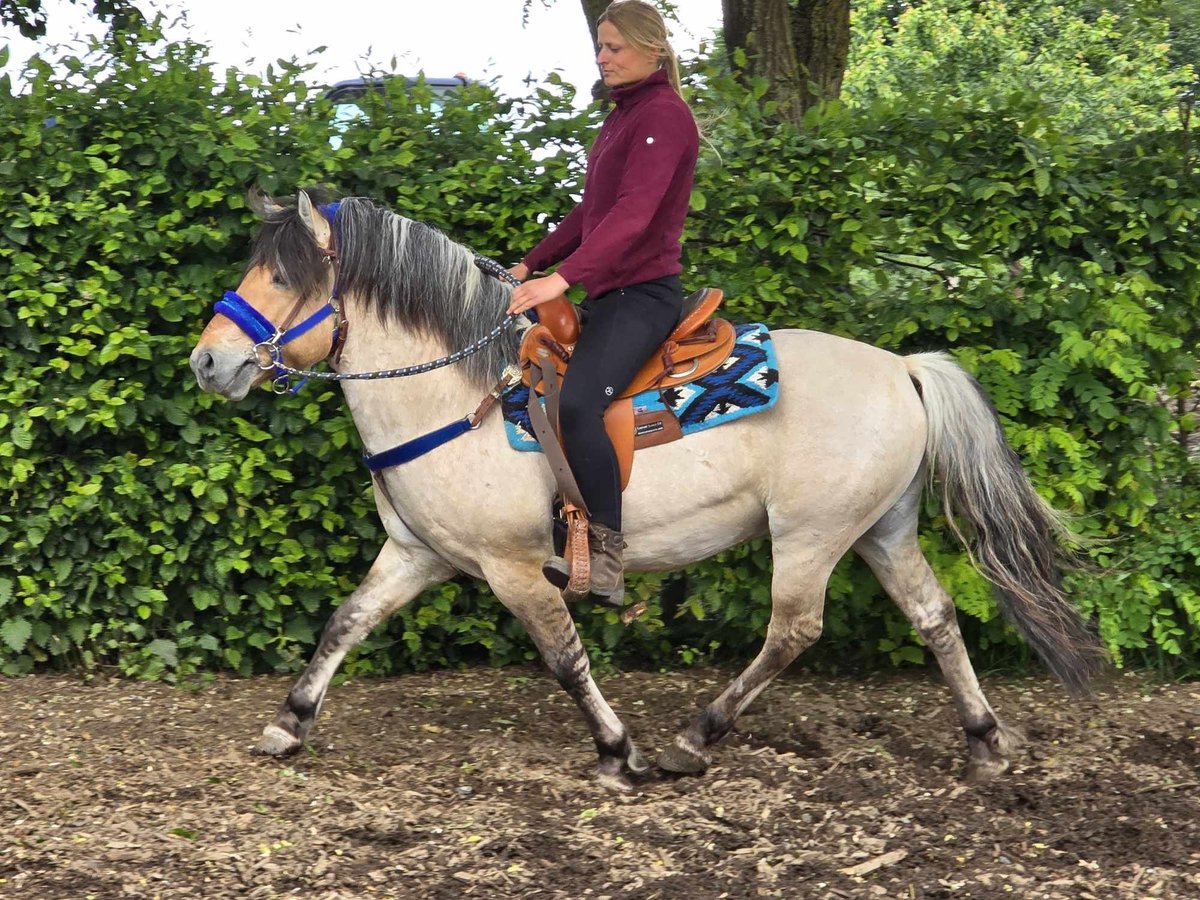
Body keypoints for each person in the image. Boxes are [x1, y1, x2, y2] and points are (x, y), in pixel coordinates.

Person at [507, 0, 699, 607]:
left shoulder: (663, 117)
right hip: (612, 294)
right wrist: (530, 263)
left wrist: (561, 280)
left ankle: (609, 555)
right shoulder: (623, 117)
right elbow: (590, 214)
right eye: (599, 45)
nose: (602, 57)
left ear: (652, 49)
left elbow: (632, 217)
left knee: (582, 403)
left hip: (643, 296)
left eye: (614, 47)